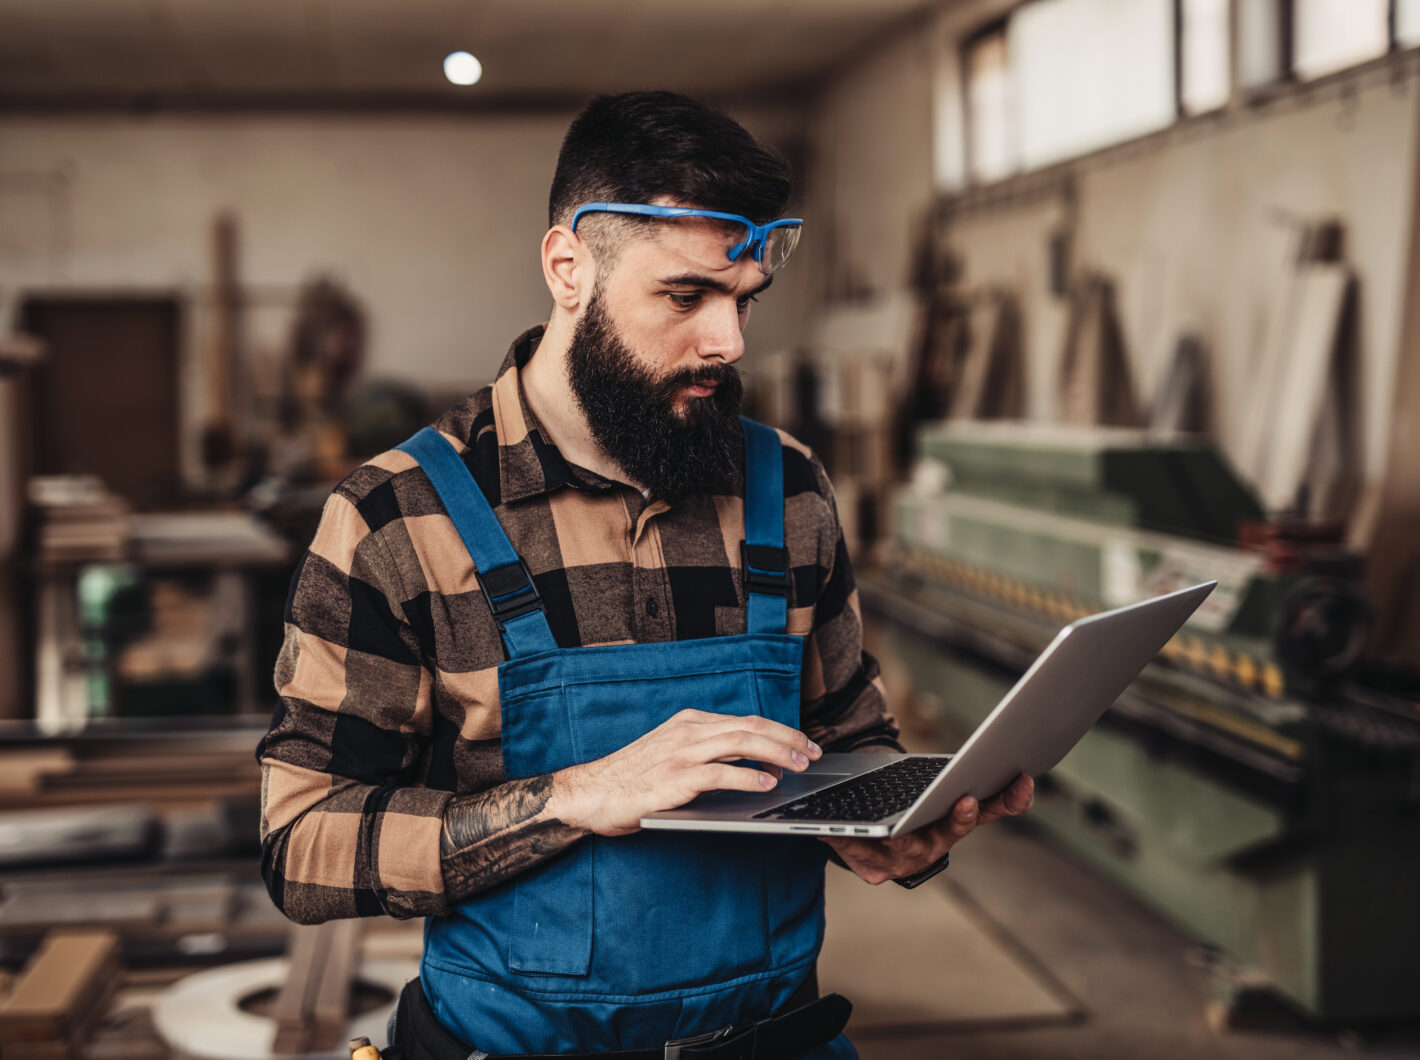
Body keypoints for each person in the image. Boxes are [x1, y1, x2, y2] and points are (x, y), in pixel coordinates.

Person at [257, 89, 1034, 1059]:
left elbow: (847, 741)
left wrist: (891, 823)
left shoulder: (785, 489)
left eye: (742, 299)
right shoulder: (397, 518)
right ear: (568, 266)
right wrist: (576, 795)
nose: (730, 343)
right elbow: (303, 843)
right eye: (685, 296)